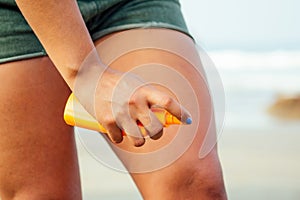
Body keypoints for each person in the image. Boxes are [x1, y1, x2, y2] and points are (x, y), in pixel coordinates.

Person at [0, 0, 227, 199]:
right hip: (15, 12)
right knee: (41, 195)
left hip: (129, 4)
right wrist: (86, 72)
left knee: (194, 181)